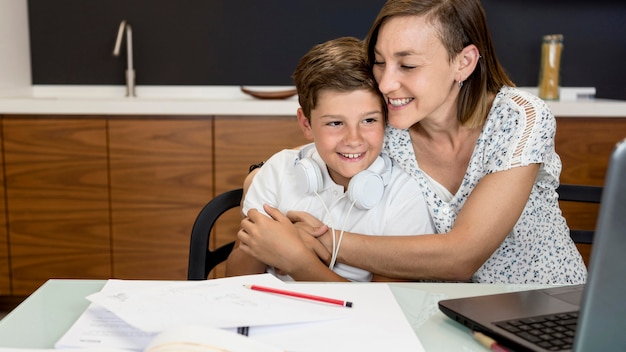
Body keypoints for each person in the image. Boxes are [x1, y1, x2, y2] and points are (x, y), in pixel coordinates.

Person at [235, 0, 587, 284]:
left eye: (407, 66)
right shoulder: (390, 126)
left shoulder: (519, 117)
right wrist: (260, 176)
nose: (386, 83)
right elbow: (327, 146)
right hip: (442, 316)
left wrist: (320, 241)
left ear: (463, 63)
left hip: (543, 303)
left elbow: (461, 257)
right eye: (379, 62)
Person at [225, 36, 435, 282]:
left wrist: (297, 260)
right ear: (306, 123)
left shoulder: (403, 194)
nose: (353, 139)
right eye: (335, 123)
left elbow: (386, 310)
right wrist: (266, 245)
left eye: (369, 120)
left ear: (386, 118)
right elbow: (234, 279)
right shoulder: (278, 171)